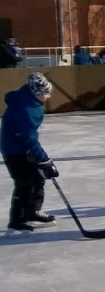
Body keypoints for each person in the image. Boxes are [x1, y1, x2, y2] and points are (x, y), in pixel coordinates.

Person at [1, 73, 59, 233]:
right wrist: (44, 160)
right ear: (37, 93)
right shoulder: (25, 109)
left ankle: (32, 211)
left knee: (38, 178)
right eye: (46, 93)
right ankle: (17, 220)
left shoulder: (28, 101)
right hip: (15, 152)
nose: (48, 96)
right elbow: (29, 139)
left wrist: (42, 161)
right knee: (24, 183)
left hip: (22, 148)